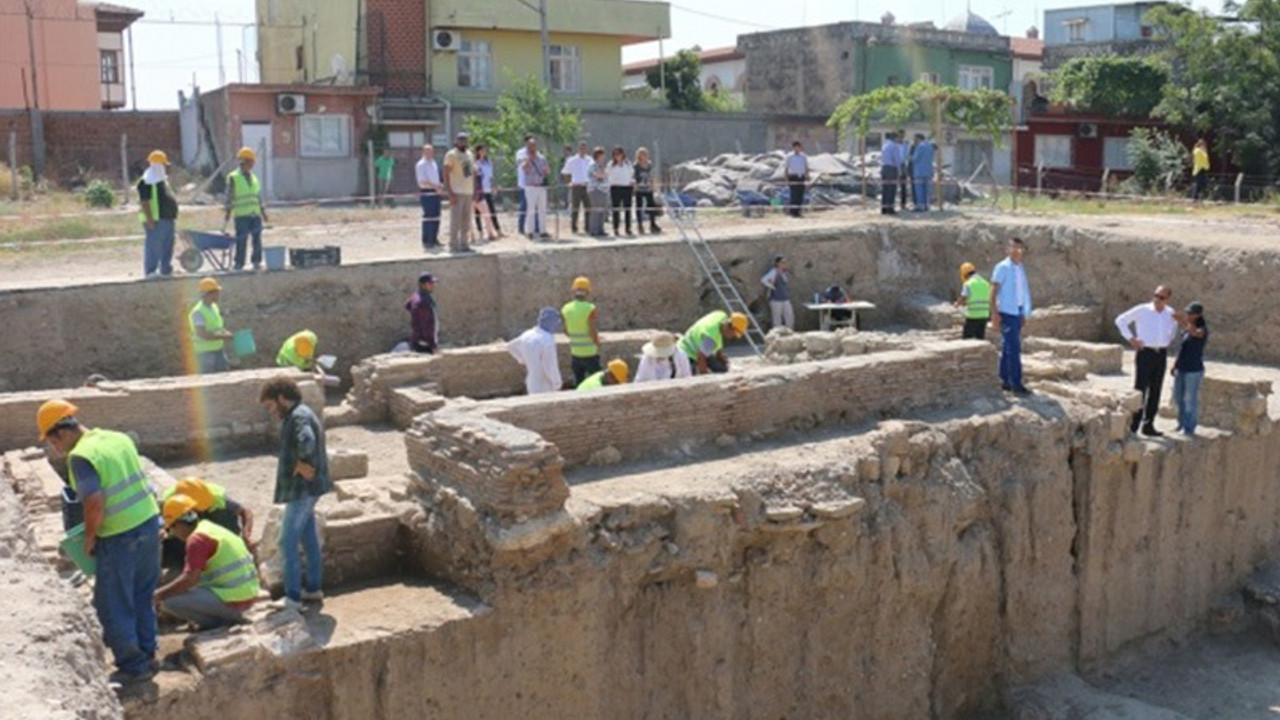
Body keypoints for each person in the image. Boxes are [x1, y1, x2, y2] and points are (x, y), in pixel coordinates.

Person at [36, 400, 161, 686]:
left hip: (119, 535)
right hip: (150, 524)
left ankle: (134, 666)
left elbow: (93, 501)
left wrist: (90, 539)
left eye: (53, 441)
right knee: (142, 594)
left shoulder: (81, 456)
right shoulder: (117, 438)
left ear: (62, 433)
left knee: (113, 604)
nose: (55, 448)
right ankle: (149, 652)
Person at [260, 377, 331, 608]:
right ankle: (313, 589)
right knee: (308, 538)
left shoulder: (298, 417)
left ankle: (292, 598)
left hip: (301, 491)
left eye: (271, 406)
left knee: (286, 542)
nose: (271, 411)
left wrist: (301, 463)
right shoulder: (301, 413)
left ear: (282, 398)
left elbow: (307, 441)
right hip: (310, 490)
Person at [154, 493, 260, 631]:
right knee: (178, 588)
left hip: (235, 602)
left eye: (171, 529)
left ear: (178, 524)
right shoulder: (209, 527)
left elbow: (190, 579)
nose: (173, 534)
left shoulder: (196, 541)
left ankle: (217, 624)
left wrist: (158, 595)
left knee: (168, 601)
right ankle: (221, 619)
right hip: (246, 594)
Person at [1115, 285, 1179, 437]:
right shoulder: (1142, 309)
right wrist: (1131, 339)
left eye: (1161, 297)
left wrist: (1165, 342)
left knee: (1156, 389)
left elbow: (1173, 330)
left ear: (1168, 299)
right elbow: (1120, 320)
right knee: (1140, 389)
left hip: (1161, 353)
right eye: (1155, 295)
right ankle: (1134, 425)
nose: (1157, 299)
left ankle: (1149, 424)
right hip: (1145, 352)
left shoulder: (1170, 313)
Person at [990, 237, 1032, 395]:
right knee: (1014, 348)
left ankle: (1004, 380)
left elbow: (1021, 292)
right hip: (1006, 312)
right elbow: (993, 291)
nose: (1017, 250)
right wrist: (994, 314)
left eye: (1020, 247)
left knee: (1008, 348)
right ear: (1007, 250)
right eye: (1014, 247)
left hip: (1017, 311)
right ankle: (1016, 383)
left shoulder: (1020, 267)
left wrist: (1023, 313)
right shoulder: (1002, 267)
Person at [223, 147, 268, 271]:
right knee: (241, 239)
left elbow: (257, 196)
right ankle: (239, 263)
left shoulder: (254, 178)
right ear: (245, 161)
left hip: (255, 214)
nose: (253, 164)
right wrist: (228, 211)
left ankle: (256, 261)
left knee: (257, 239)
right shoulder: (233, 177)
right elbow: (229, 196)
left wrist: (263, 212)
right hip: (242, 215)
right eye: (251, 161)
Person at [138, 149, 178, 278]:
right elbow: (145, 201)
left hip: (167, 218)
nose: (166, 168)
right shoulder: (146, 182)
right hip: (155, 219)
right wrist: (149, 219)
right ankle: (151, 271)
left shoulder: (162, 181)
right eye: (164, 165)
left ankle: (165, 269)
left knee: (168, 244)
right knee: (153, 245)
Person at [1171, 301, 1209, 436]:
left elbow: (1196, 333)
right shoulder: (1186, 330)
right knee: (1177, 397)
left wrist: (1181, 320)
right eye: (1187, 313)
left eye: (1190, 313)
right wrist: (1175, 364)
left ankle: (1189, 427)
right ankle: (1181, 423)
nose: (1188, 315)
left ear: (1198, 315)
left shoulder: (1202, 328)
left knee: (1190, 400)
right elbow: (1182, 348)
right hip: (1182, 367)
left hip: (1193, 369)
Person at [507, 308, 563, 395]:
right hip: (545, 385)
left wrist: (522, 359)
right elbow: (549, 365)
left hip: (531, 382)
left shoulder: (528, 334)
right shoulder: (547, 340)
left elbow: (510, 346)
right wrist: (557, 383)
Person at [679, 311, 749, 375]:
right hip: (687, 353)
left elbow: (717, 350)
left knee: (721, 368)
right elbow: (701, 358)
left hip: (697, 344)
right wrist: (706, 377)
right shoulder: (711, 339)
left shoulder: (720, 315)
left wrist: (727, 364)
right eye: (733, 334)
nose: (732, 337)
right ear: (730, 327)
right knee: (690, 377)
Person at [561, 276, 601, 385]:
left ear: (573, 290)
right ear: (588, 291)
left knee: (579, 383)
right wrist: (597, 343)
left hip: (575, 353)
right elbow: (592, 331)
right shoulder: (590, 308)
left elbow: (565, 330)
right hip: (590, 353)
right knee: (597, 381)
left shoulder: (566, 308)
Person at [189, 277, 233, 374]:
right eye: (216, 292)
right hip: (204, 355)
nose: (218, 295)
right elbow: (202, 334)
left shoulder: (213, 307)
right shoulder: (198, 312)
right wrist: (223, 336)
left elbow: (217, 326)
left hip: (218, 351)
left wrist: (224, 332)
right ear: (209, 294)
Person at [442, 132, 476, 254]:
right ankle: (453, 244)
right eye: (460, 140)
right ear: (456, 141)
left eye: (465, 140)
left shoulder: (469, 154)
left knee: (466, 220)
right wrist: (449, 193)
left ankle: (464, 244)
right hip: (456, 191)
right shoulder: (451, 155)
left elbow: (471, 173)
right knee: (455, 220)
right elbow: (446, 174)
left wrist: (475, 189)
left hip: (468, 191)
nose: (463, 142)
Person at [521, 137, 552, 240]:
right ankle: (530, 231)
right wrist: (529, 159)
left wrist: (546, 170)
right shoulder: (525, 157)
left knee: (542, 209)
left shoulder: (542, 158)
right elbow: (525, 169)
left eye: (533, 145)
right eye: (529, 146)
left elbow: (548, 171)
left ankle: (543, 230)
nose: (531, 148)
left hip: (541, 186)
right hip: (531, 187)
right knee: (531, 209)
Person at [472, 144, 504, 241]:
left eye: (485, 150)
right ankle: (480, 232)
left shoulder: (488, 163)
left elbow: (491, 176)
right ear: (478, 152)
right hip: (479, 190)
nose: (484, 152)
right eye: (482, 150)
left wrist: (494, 185)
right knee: (477, 213)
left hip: (487, 189)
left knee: (491, 210)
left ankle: (498, 230)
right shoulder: (475, 163)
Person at [416, 144, 443, 250]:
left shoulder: (434, 162)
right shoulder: (421, 164)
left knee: (437, 215)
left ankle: (434, 238)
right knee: (429, 216)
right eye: (427, 151)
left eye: (431, 151)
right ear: (423, 152)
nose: (430, 153)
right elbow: (422, 181)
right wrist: (435, 187)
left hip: (437, 191)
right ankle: (427, 240)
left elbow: (437, 177)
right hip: (427, 191)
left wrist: (440, 186)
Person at [954, 262, 991, 339]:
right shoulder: (985, 283)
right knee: (980, 338)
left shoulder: (968, 283)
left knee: (967, 339)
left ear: (965, 274)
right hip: (984, 315)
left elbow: (964, 297)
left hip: (973, 315)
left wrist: (957, 304)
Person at [561, 142, 592, 234]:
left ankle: (587, 227)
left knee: (588, 207)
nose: (583, 150)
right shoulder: (572, 160)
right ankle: (574, 227)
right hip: (576, 186)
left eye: (584, 148)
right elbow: (564, 172)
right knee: (575, 208)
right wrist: (568, 183)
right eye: (581, 148)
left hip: (587, 185)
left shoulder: (590, 160)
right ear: (578, 149)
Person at [406, 272, 439, 354]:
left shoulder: (418, 295)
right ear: (423, 285)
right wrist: (432, 345)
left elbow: (407, 305)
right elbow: (426, 326)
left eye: (433, 283)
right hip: (423, 343)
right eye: (430, 283)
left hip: (419, 340)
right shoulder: (422, 302)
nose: (433, 285)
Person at [761, 255, 794, 330]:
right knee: (777, 319)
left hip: (785, 297)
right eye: (782, 262)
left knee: (789, 317)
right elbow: (763, 280)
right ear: (778, 263)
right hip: (776, 299)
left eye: (785, 262)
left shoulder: (784, 273)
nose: (784, 264)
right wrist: (772, 286)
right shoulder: (773, 272)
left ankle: (790, 332)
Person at [607, 146, 635, 237]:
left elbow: (631, 174)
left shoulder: (628, 163)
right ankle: (616, 228)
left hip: (626, 188)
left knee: (627, 209)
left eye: (619, 153)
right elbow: (607, 175)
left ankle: (628, 228)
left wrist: (631, 182)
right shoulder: (611, 164)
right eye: (616, 154)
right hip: (615, 188)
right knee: (616, 209)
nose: (618, 156)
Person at [633, 147, 661, 234]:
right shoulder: (636, 166)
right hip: (639, 189)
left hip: (648, 189)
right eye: (641, 155)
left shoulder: (650, 165)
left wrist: (654, 184)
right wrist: (635, 186)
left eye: (645, 154)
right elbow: (634, 177)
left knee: (651, 206)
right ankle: (640, 225)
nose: (643, 157)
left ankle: (652, 224)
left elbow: (652, 175)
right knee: (639, 206)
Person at [587, 147, 611, 238]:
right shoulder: (593, 165)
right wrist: (604, 174)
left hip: (603, 189)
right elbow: (598, 175)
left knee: (602, 210)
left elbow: (606, 175)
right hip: (595, 189)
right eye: (602, 154)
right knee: (596, 209)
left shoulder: (602, 165)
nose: (604, 156)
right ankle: (593, 229)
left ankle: (601, 229)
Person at [784, 141, 809, 218]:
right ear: (793, 148)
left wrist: (807, 176)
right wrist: (786, 179)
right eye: (796, 147)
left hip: (801, 177)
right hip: (793, 176)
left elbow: (806, 167)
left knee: (800, 195)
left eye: (799, 147)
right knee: (793, 194)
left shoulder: (803, 156)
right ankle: (792, 212)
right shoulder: (789, 156)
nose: (798, 149)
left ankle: (798, 211)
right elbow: (786, 168)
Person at [514, 133, 533, 236]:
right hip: (523, 183)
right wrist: (528, 158)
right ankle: (521, 227)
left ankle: (534, 228)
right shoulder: (520, 153)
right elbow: (521, 165)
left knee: (534, 207)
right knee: (523, 206)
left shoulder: (536, 152)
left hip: (534, 184)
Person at [911, 134, 935, 212]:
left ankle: (920, 206)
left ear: (918, 138)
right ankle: (926, 205)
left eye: (915, 139)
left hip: (919, 172)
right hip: (928, 171)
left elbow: (915, 158)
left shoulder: (920, 147)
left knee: (919, 190)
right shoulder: (930, 146)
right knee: (927, 190)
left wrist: (909, 157)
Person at [880, 132, 902, 215]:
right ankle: (890, 208)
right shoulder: (894, 146)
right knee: (891, 189)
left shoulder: (885, 146)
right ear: (895, 138)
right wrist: (899, 170)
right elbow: (897, 159)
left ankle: (884, 208)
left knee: (885, 189)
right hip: (891, 168)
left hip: (884, 167)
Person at [1192, 138, 1210, 203]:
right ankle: (1195, 198)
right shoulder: (1197, 151)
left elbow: (1206, 160)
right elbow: (1200, 159)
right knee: (1198, 184)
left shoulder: (1202, 152)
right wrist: (1203, 151)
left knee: (1203, 184)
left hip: (1203, 168)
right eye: (1203, 145)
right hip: (1199, 169)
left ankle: (1200, 197)